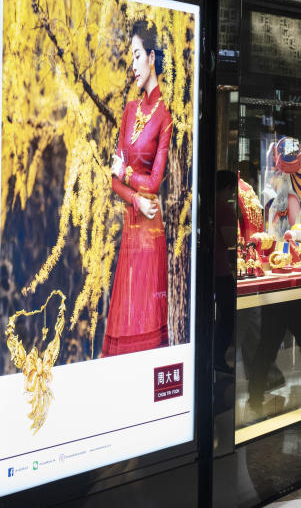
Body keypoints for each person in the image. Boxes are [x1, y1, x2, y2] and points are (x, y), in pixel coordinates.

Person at [104, 20, 172, 356]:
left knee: (145, 315)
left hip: (151, 231)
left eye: (136, 56)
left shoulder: (164, 117)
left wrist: (128, 174)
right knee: (126, 312)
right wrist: (135, 196)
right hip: (133, 225)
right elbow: (113, 180)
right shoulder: (129, 111)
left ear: (152, 58)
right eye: (131, 58)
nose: (132, 65)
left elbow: (155, 181)